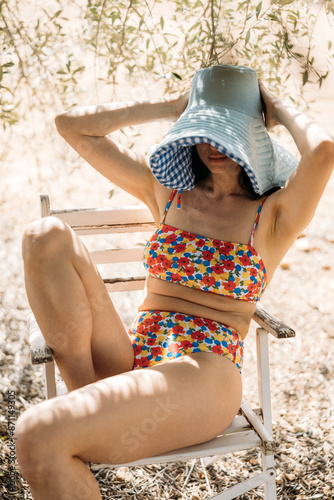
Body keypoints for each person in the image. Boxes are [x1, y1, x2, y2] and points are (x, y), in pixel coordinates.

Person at [16, 64, 334, 499]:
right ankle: (86, 395)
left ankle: (79, 422)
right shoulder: (169, 190)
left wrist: (272, 106)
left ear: (256, 133)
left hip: (204, 371)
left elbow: (324, 151)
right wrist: (172, 107)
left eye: (228, 128)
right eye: (203, 128)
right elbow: (71, 127)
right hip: (133, 353)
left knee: (37, 434)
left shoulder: (273, 214)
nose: (212, 143)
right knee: (43, 234)